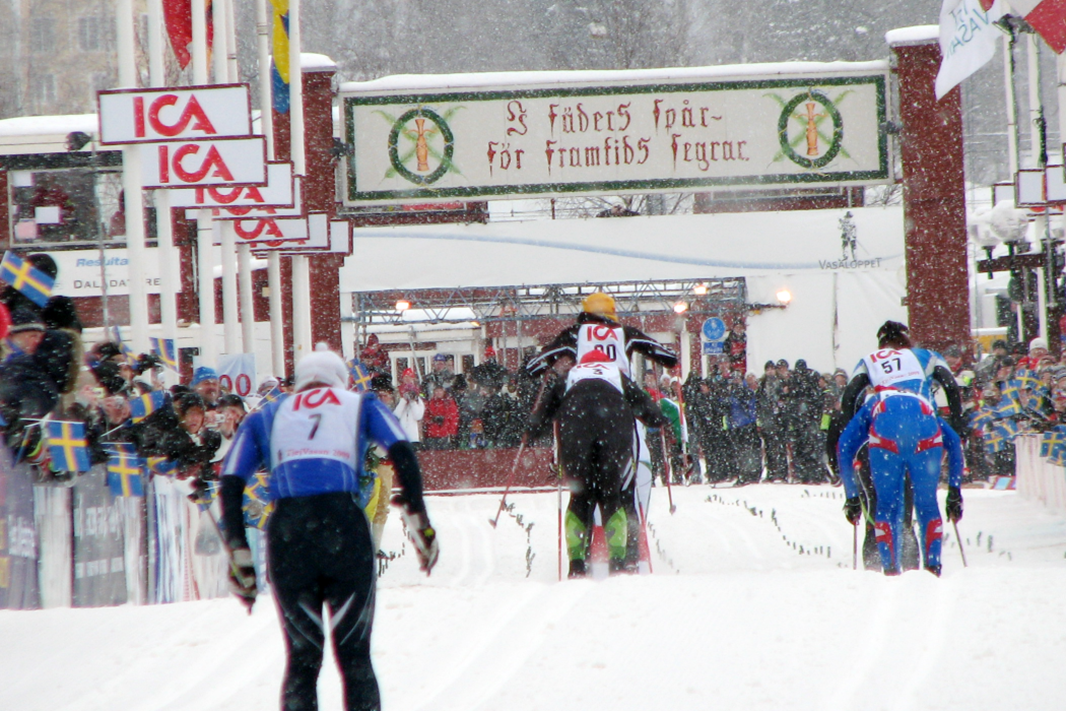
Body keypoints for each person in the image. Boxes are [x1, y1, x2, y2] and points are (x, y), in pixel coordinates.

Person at [219, 351, 438, 711]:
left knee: (302, 659)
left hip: (289, 532)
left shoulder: (267, 414)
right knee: (354, 658)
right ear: (342, 381)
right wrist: (418, 516)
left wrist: (238, 550)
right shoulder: (359, 403)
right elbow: (402, 451)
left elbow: (230, 480)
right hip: (342, 526)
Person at [836, 321, 965, 576]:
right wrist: (956, 427)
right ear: (908, 341)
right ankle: (930, 566)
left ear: (881, 343)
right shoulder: (927, 356)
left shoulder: (869, 360)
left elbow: (850, 395)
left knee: (882, 505)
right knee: (925, 504)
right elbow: (951, 386)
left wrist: (858, 430)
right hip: (925, 427)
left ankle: (886, 566)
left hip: (880, 429)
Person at [526, 348, 665, 576]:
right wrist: (659, 419)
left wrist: (531, 429)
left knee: (579, 496)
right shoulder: (617, 375)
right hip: (613, 426)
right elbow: (646, 409)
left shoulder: (570, 376)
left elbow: (544, 414)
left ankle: (577, 564)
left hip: (575, 426)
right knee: (612, 495)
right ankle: (618, 561)